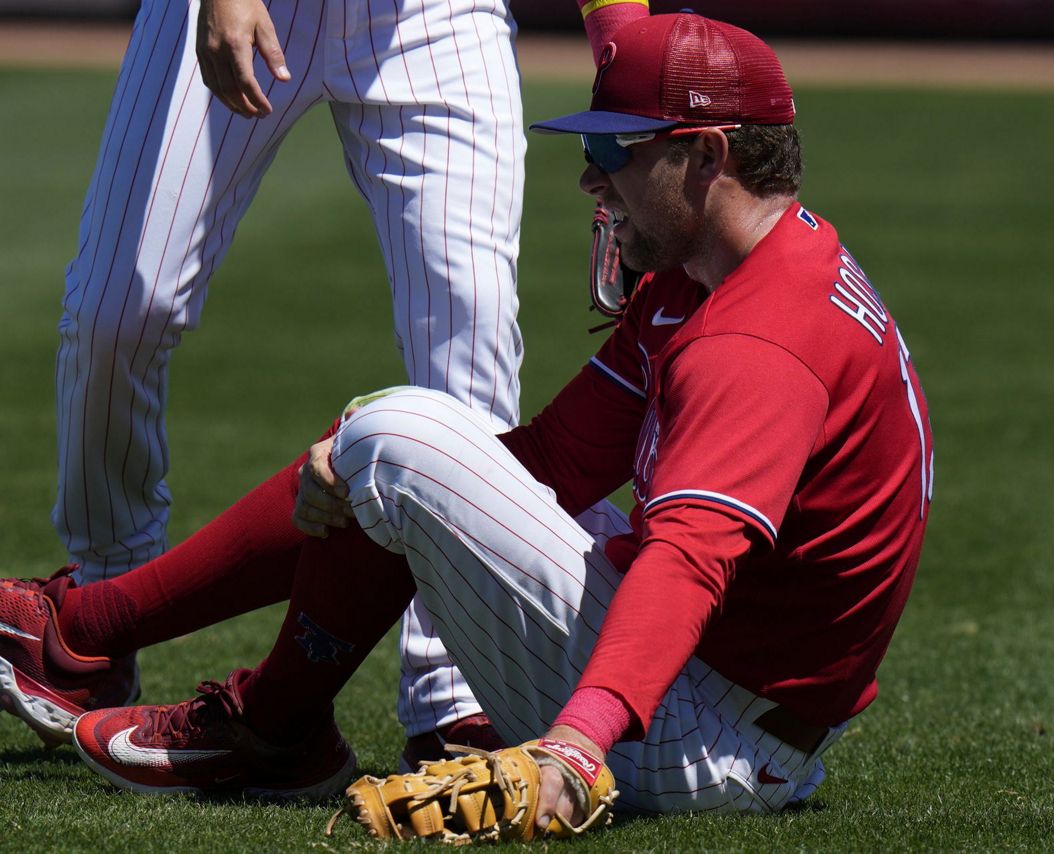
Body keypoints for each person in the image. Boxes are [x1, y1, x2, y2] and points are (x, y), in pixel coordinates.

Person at [0, 13, 933, 822]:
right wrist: (384, 488)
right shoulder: (728, 271)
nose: (590, 181)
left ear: (709, 155)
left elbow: (689, 562)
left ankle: (253, 721)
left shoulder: (758, 343)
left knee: (401, 439)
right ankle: (120, 640)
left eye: (615, 151)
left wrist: (575, 749)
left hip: (705, 737)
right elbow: (553, 463)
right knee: (410, 452)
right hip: (724, 693)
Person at [45, 0, 649, 766]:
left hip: (435, 16)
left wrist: (620, 36)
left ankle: (451, 695)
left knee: (473, 338)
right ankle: (101, 610)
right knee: (116, 313)